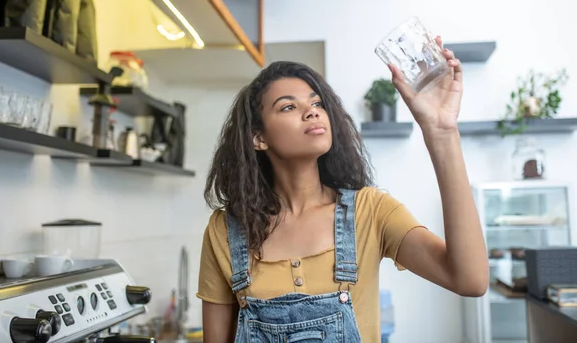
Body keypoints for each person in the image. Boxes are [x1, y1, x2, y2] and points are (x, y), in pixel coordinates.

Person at [197, 36, 489, 342]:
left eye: (316, 103)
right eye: (287, 107)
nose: (311, 112)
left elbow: (470, 280)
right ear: (259, 138)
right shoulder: (225, 230)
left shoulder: (371, 211)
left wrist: (442, 132)